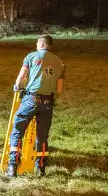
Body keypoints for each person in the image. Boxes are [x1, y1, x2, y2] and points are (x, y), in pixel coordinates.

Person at [6, 35, 66, 177]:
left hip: (30, 100)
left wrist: (17, 86)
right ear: (50, 46)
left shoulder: (31, 56)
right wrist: (50, 99)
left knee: (17, 131)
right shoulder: (60, 63)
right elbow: (59, 90)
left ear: (40, 44)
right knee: (42, 137)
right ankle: (40, 167)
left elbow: (22, 77)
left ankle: (12, 166)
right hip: (47, 103)